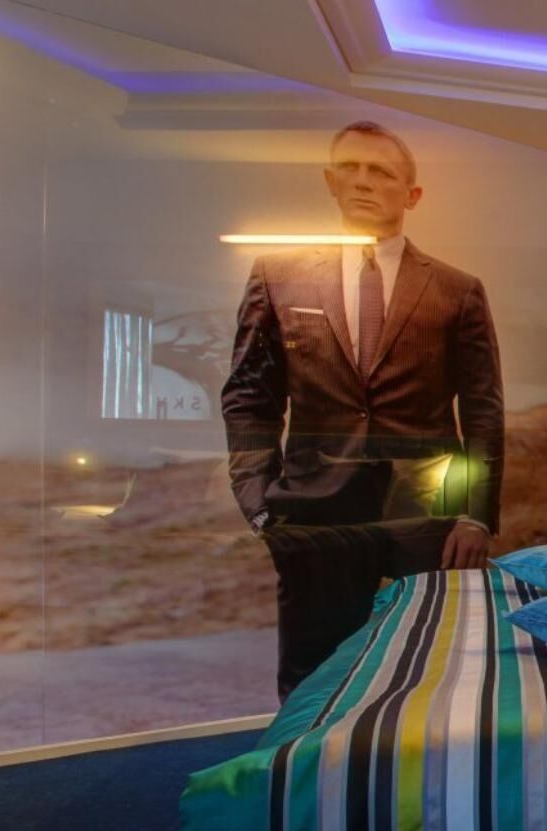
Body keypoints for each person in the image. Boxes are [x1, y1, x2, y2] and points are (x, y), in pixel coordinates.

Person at [223, 120, 504, 700]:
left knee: (432, 675)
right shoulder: (278, 275)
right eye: (349, 168)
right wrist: (260, 504)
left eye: (381, 171)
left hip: (430, 516)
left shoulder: (458, 290)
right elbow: (249, 395)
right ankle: (310, 761)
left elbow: (482, 412)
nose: (363, 181)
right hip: (314, 515)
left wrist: (476, 517)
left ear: (412, 193)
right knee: (312, 680)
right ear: (330, 181)